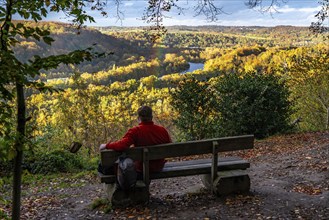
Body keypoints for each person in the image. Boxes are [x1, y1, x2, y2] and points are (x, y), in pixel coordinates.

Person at [99, 105, 172, 175]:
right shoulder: (162, 130)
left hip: (141, 168)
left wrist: (106, 145)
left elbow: (122, 145)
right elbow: (169, 146)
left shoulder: (135, 131)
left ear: (139, 118)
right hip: (158, 167)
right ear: (151, 117)